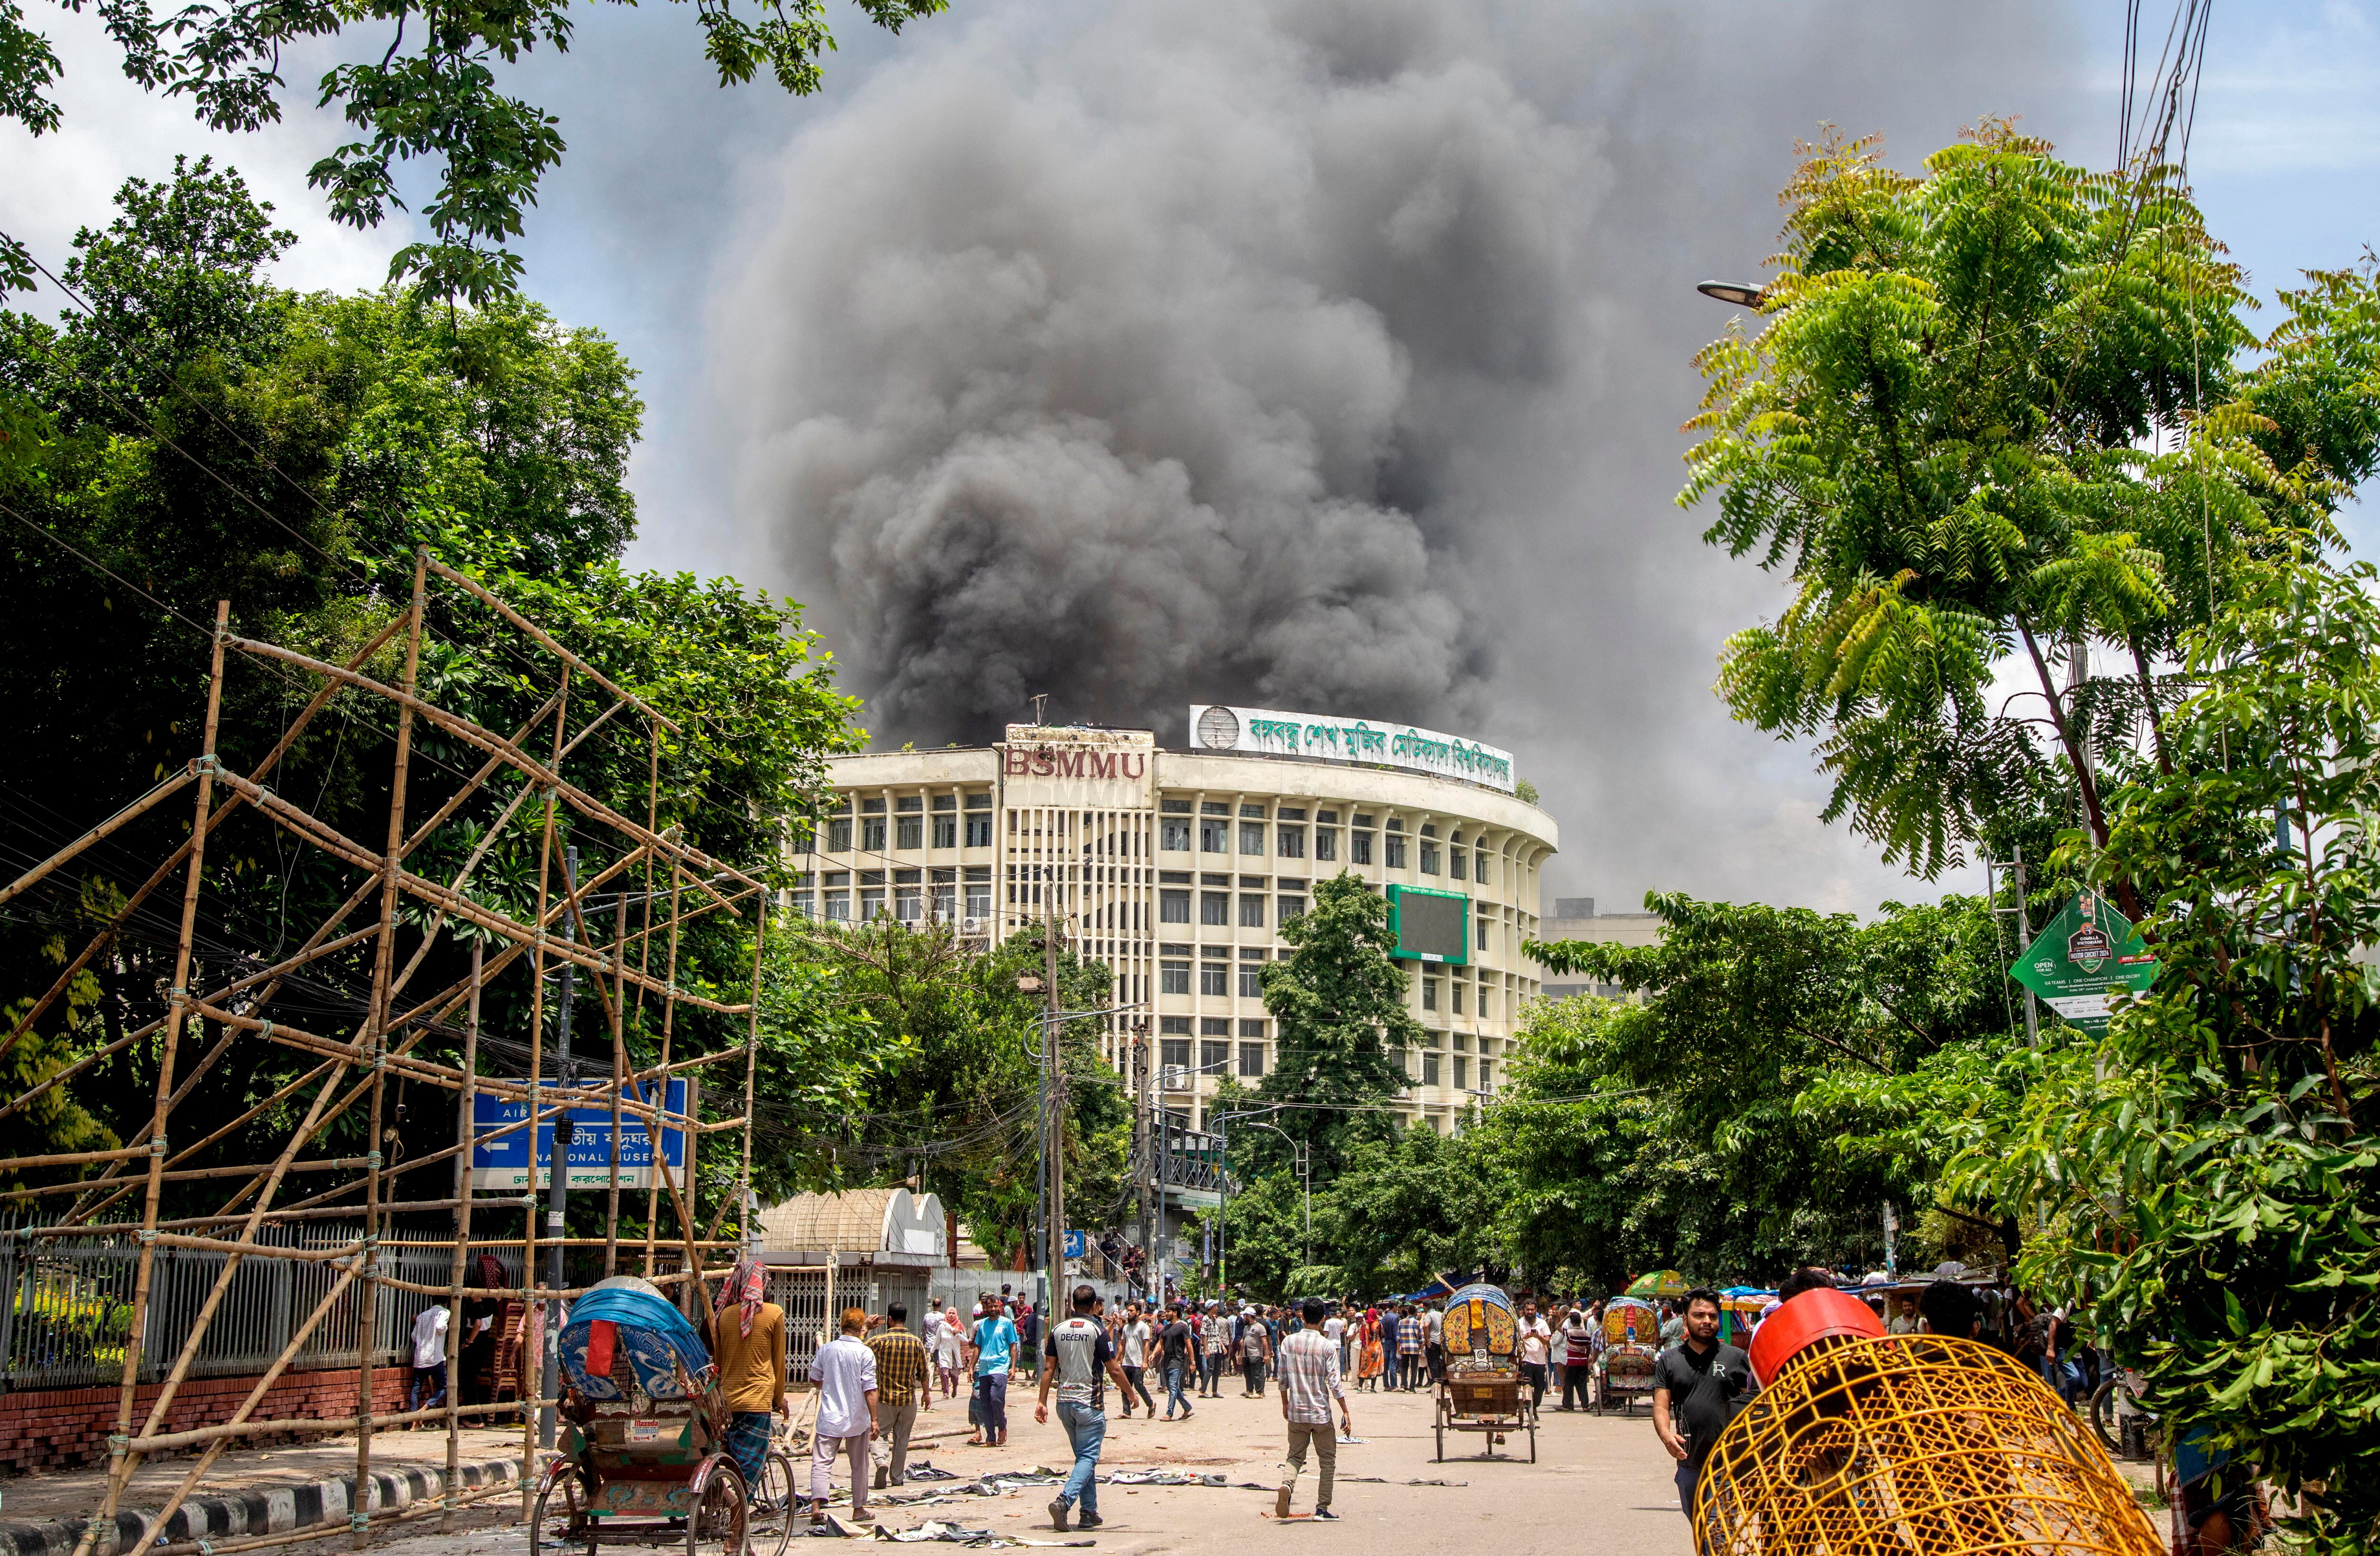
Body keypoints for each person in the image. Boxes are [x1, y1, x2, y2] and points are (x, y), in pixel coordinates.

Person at [1037, 1284, 1136, 1532]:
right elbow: (1113, 1369)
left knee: (1084, 1459)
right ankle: (1064, 1501)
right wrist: (1130, 1392)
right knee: (1089, 1457)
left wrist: (1042, 1402)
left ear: (1072, 1304)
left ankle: (1088, 1512)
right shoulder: (1097, 1331)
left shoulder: (1058, 1330)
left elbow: (1049, 1369)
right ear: (1094, 1306)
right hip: (1089, 1404)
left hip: (1064, 1404)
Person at [1651, 1288, 1754, 1527]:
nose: (1707, 1321)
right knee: (1700, 1529)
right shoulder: (1670, 1360)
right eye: (1699, 1315)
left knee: (1718, 1532)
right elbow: (1661, 1405)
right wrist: (1666, 1435)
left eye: (1713, 1316)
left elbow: (1755, 1404)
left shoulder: (1736, 1358)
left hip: (1728, 1464)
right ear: (1685, 1320)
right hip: (1690, 1462)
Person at [712, 1259, 791, 1513]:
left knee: (728, 1462)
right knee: (749, 1475)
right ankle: (736, 1536)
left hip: (727, 1403)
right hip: (757, 1402)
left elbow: (719, 1363)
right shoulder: (774, 1313)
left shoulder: (724, 1315)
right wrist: (779, 1400)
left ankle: (726, 1510)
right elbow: (779, 1362)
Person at [1274, 1297, 1352, 1521]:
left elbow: (1282, 1378)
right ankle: (1321, 1509)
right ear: (1323, 1320)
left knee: (1295, 1457)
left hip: (1297, 1411)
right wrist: (1345, 1411)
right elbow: (1335, 1383)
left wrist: (1285, 1403)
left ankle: (1287, 1485)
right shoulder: (1327, 1346)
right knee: (1327, 1461)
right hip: (1320, 1414)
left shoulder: (1288, 1343)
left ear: (1302, 1316)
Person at [806, 1307, 880, 1523]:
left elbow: (815, 1379)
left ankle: (816, 1508)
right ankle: (858, 1510)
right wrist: (875, 1419)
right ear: (861, 1328)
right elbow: (870, 1389)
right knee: (859, 1465)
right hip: (857, 1419)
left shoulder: (827, 1350)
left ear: (841, 1325)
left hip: (829, 1418)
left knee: (821, 1462)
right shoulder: (865, 1353)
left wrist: (828, 1383)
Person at [866, 1303, 932, 1490]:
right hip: (908, 1400)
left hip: (885, 1400)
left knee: (879, 1435)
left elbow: (857, 1349)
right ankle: (897, 1477)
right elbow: (924, 1373)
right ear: (905, 1318)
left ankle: (881, 1463)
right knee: (902, 1440)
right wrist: (926, 1394)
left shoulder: (880, 1341)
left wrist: (866, 1328)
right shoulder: (916, 1343)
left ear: (889, 1319)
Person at [967, 1294, 1021, 1448]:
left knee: (996, 1400)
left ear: (1000, 1307)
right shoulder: (982, 1325)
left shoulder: (1006, 1324)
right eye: (990, 1307)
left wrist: (1013, 1367)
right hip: (984, 1369)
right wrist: (971, 1368)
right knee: (985, 1404)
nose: (993, 1309)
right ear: (986, 1308)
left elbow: (1013, 1346)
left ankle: (1002, 1426)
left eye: (995, 1306)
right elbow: (978, 1347)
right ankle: (990, 1438)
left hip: (1000, 1368)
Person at [407, 1300, 450, 1417]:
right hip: (435, 1357)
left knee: (416, 1389)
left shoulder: (422, 1316)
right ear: (446, 1302)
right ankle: (425, 1408)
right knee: (444, 1387)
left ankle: (413, 1421)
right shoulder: (444, 1312)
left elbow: (414, 1337)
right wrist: (447, 1327)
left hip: (420, 1358)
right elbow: (440, 1327)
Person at [1159, 1303, 1197, 1420]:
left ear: (1175, 1313)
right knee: (1173, 1387)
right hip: (1167, 1361)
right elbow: (1160, 1343)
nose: (1166, 1314)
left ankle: (1169, 1413)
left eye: (1169, 1311)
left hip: (1178, 1361)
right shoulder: (1166, 1328)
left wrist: (1193, 1362)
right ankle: (1187, 1406)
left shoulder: (1183, 1327)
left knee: (1173, 1387)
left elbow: (1189, 1345)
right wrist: (1152, 1355)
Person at [1119, 1304, 1156, 1417]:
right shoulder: (1126, 1328)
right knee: (1125, 1386)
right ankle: (1126, 1412)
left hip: (1138, 1362)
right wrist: (1117, 1359)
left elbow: (1146, 1345)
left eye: (1132, 1311)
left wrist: (1145, 1361)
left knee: (1139, 1385)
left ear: (1138, 1312)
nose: (1129, 1313)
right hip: (1127, 1362)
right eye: (1128, 1311)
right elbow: (1122, 1344)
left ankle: (1151, 1404)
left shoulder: (1143, 1327)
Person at [1515, 1299, 1552, 1409]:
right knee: (1528, 1385)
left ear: (1536, 1310)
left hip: (1540, 1361)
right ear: (1524, 1310)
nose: (1530, 1312)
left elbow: (1547, 1341)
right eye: (1528, 1309)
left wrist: (1539, 1337)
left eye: (1532, 1309)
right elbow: (1514, 1341)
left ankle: (1535, 1406)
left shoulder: (1542, 1323)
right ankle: (1530, 1409)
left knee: (1540, 1388)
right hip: (1526, 1360)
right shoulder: (1519, 1323)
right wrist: (1524, 1337)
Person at [1559, 1306, 1595, 1410]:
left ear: (1572, 1322)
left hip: (1572, 1362)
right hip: (1583, 1362)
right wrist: (1585, 1357)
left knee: (1569, 1384)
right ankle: (1585, 1405)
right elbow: (1588, 1348)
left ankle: (1566, 1405)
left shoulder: (1570, 1333)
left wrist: (1566, 1317)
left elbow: (1558, 1327)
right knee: (1582, 1384)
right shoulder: (1587, 1334)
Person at [931, 1304, 966, 1399]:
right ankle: (945, 1393)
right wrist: (932, 1351)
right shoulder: (942, 1326)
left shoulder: (959, 1326)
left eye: (953, 1313)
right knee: (944, 1373)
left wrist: (959, 1332)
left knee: (955, 1375)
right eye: (949, 1313)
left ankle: (955, 1388)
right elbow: (937, 1340)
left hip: (954, 1354)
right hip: (944, 1354)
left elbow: (965, 1338)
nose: (951, 1315)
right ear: (947, 1314)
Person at [1239, 1305, 1274, 1396]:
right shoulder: (1246, 1328)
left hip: (1256, 1354)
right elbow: (1243, 1341)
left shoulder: (1260, 1327)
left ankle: (1259, 1392)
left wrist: (1266, 1355)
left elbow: (1265, 1342)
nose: (1243, 1318)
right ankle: (1250, 1391)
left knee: (1256, 1374)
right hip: (1246, 1355)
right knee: (1247, 1374)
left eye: (1245, 1316)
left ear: (1249, 1317)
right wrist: (1240, 1355)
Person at [1395, 1304, 1424, 1391]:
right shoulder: (1418, 1323)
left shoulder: (1401, 1322)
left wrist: (1398, 1350)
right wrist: (1422, 1352)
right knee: (1414, 1368)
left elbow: (1398, 1338)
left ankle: (1404, 1385)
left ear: (1408, 1312)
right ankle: (1412, 1388)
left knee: (1404, 1367)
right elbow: (1421, 1339)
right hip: (1415, 1348)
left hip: (1404, 1348)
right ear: (1415, 1312)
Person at [1356, 1311, 1384, 1391]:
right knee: (1374, 1368)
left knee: (1364, 1368)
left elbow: (1361, 1337)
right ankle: (1372, 1388)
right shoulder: (1378, 1324)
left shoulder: (1364, 1324)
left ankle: (1360, 1388)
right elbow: (1382, 1334)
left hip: (1366, 1349)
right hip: (1376, 1349)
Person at [1423, 1301, 1447, 1386]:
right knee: (1441, 1363)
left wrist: (1427, 1339)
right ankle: (1442, 1382)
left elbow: (1426, 1326)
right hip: (1441, 1342)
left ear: (1425, 1307)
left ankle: (1436, 1384)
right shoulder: (1440, 1314)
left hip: (1432, 1342)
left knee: (1433, 1364)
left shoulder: (1429, 1315)